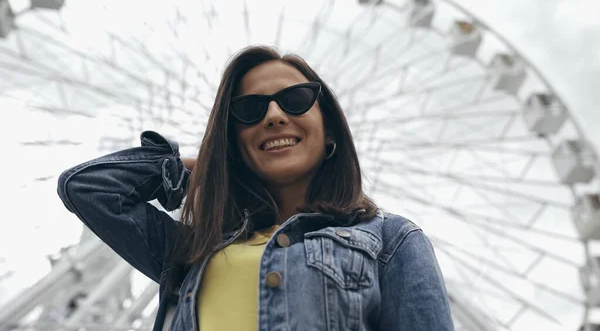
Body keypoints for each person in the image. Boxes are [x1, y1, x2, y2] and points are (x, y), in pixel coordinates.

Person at [57, 45, 454, 331]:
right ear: (233, 143)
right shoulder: (191, 252)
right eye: (250, 109)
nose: (275, 116)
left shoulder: (391, 241)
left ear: (330, 130)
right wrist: (202, 167)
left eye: (296, 100)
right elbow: (87, 188)